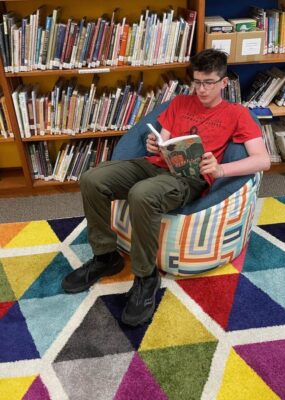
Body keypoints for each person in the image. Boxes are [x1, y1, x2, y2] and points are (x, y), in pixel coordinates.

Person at [61, 48, 270, 327]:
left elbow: (263, 160)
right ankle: (105, 256)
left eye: (208, 83)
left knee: (141, 194)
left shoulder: (237, 114)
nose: (201, 89)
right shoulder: (180, 102)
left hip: (188, 178)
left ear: (223, 82)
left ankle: (146, 277)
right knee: (91, 179)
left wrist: (220, 170)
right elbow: (165, 140)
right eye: (196, 82)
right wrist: (154, 143)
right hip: (155, 164)